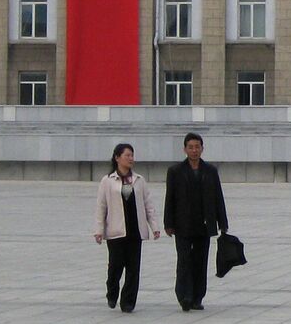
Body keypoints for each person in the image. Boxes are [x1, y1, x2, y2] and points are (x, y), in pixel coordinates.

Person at [164, 131, 230, 310]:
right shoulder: (175, 171)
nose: (194, 150)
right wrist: (168, 223)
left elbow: (218, 198)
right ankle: (184, 295)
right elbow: (170, 198)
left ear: (202, 149)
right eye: (190, 147)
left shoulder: (210, 171)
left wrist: (222, 223)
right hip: (183, 224)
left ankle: (197, 297)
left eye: (197, 147)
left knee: (200, 262)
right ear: (185, 149)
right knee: (184, 261)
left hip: (204, 224)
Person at [93, 143, 158, 312]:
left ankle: (128, 301)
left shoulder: (139, 180)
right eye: (127, 155)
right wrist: (99, 230)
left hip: (135, 230)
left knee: (133, 268)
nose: (130, 159)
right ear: (117, 158)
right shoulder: (108, 181)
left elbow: (148, 204)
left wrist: (154, 226)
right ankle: (112, 292)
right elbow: (101, 206)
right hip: (116, 231)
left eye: (132, 155)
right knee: (115, 267)